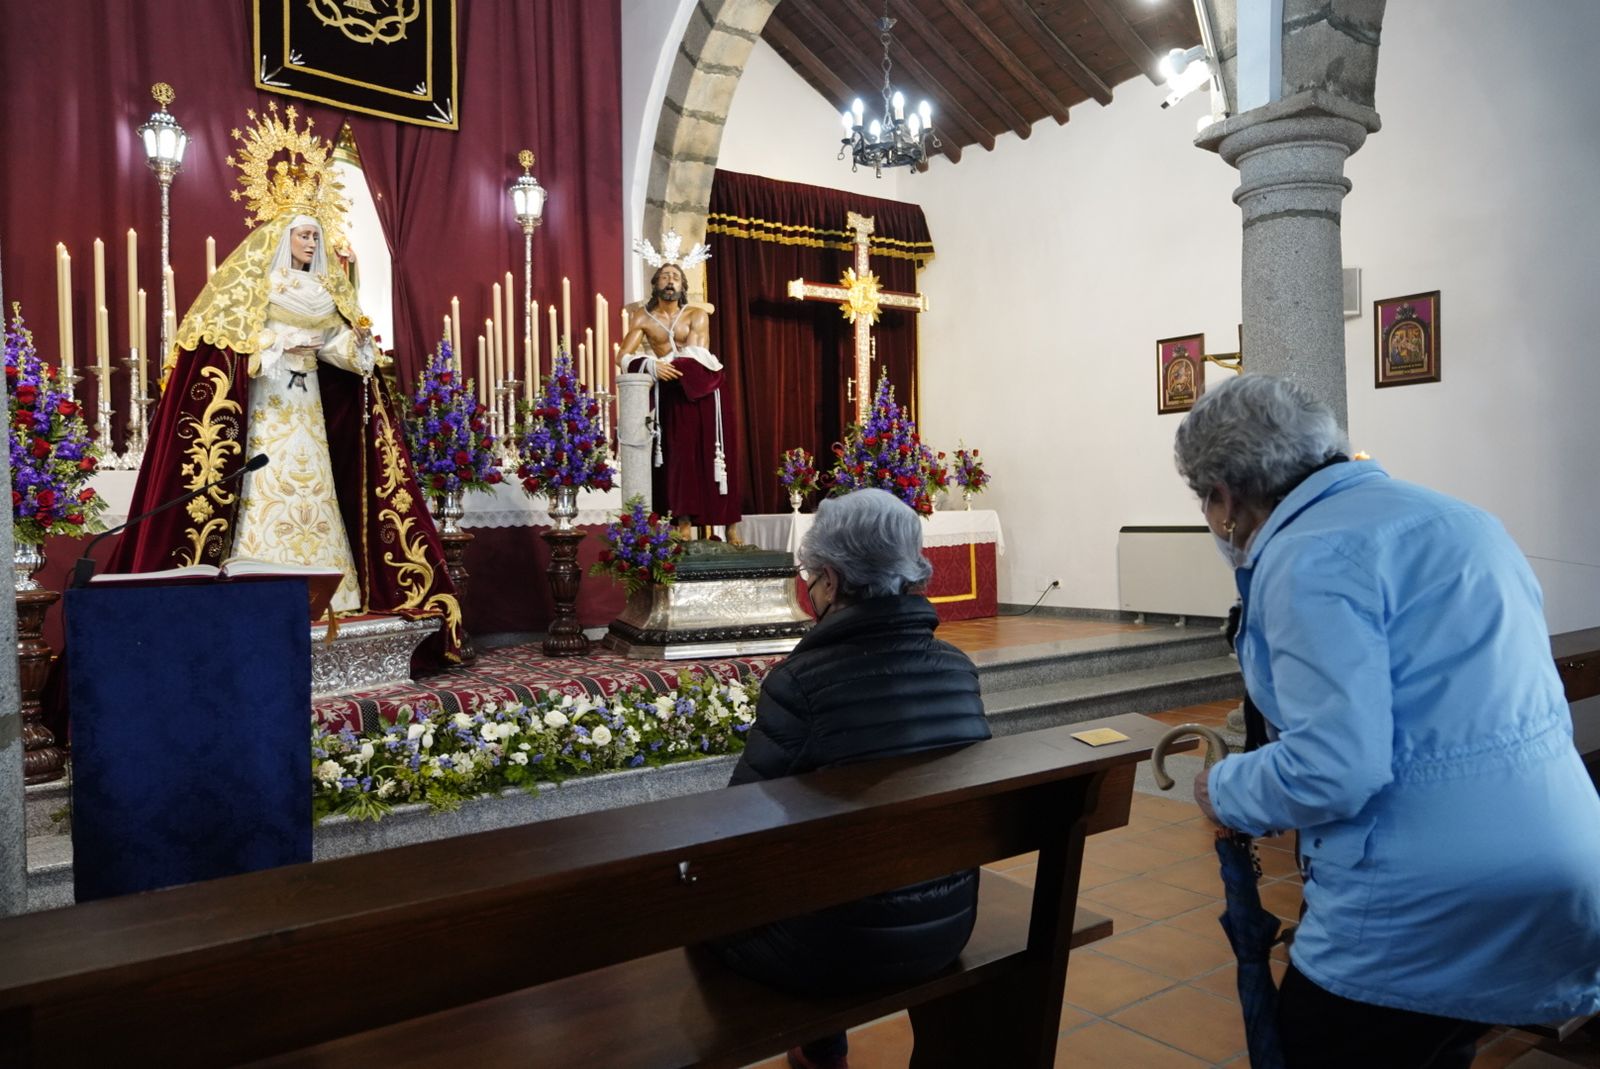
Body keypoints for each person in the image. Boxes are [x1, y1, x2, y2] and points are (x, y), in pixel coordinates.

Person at [1174, 374, 1600, 1068]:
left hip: (1426, 898)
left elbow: (1335, 765)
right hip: (1560, 860)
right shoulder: (1460, 518)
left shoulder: (1306, 554)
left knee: (1320, 1040)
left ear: (1223, 496)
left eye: (1205, 501)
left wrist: (1226, 789)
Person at [108, 108, 461, 659]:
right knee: (265, 491)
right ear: (280, 237)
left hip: (311, 413)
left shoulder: (329, 292)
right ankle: (259, 584)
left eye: (313, 237)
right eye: (300, 235)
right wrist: (274, 347)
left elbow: (343, 350)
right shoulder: (254, 287)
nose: (308, 244)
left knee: (314, 488)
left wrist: (356, 346)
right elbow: (227, 349)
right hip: (269, 408)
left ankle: (334, 593)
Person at [713, 488, 991, 1069]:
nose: (809, 588)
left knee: (702, 911)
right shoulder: (957, 671)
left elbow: (740, 819)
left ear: (833, 583)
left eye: (811, 577)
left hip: (833, 948)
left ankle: (821, 1051)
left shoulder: (802, 683)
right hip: (945, 926)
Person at [619, 235, 741, 536]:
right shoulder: (642, 319)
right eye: (664, 276)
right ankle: (683, 521)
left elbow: (696, 355)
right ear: (656, 284)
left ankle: (726, 524)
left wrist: (667, 364)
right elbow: (623, 356)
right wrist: (650, 365)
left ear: (683, 286)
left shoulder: (696, 315)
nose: (670, 281)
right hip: (671, 392)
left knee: (715, 455)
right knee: (679, 456)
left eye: (675, 277)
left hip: (704, 388)